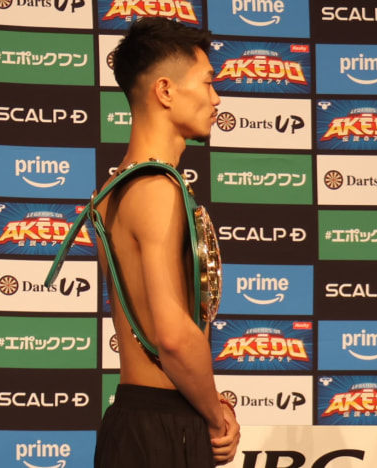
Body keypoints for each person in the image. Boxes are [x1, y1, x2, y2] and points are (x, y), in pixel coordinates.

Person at [48, 17, 239, 467]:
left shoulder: (114, 188)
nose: (216, 98)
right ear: (165, 91)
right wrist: (216, 417)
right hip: (164, 428)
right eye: (208, 82)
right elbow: (172, 336)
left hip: (135, 421)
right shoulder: (156, 189)